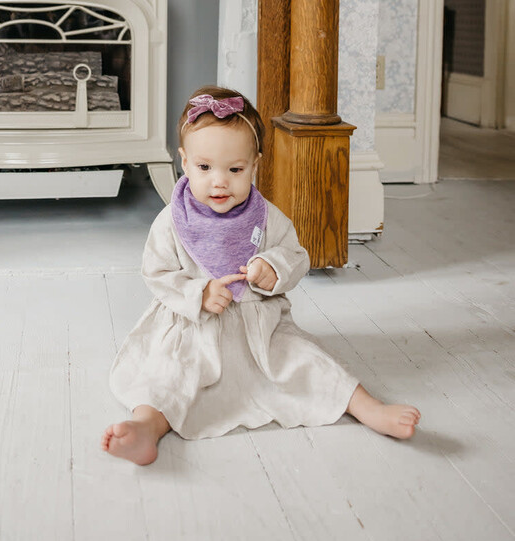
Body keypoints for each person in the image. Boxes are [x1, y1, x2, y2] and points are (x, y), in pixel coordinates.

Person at [102, 85, 420, 465]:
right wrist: (198, 294)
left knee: (307, 358)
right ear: (184, 162)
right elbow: (157, 272)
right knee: (171, 374)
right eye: (205, 168)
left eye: (235, 169)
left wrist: (274, 267)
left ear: (255, 165)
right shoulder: (173, 220)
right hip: (194, 329)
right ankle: (146, 428)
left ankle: (368, 407)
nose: (219, 181)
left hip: (260, 328)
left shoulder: (266, 216)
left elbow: (296, 255)